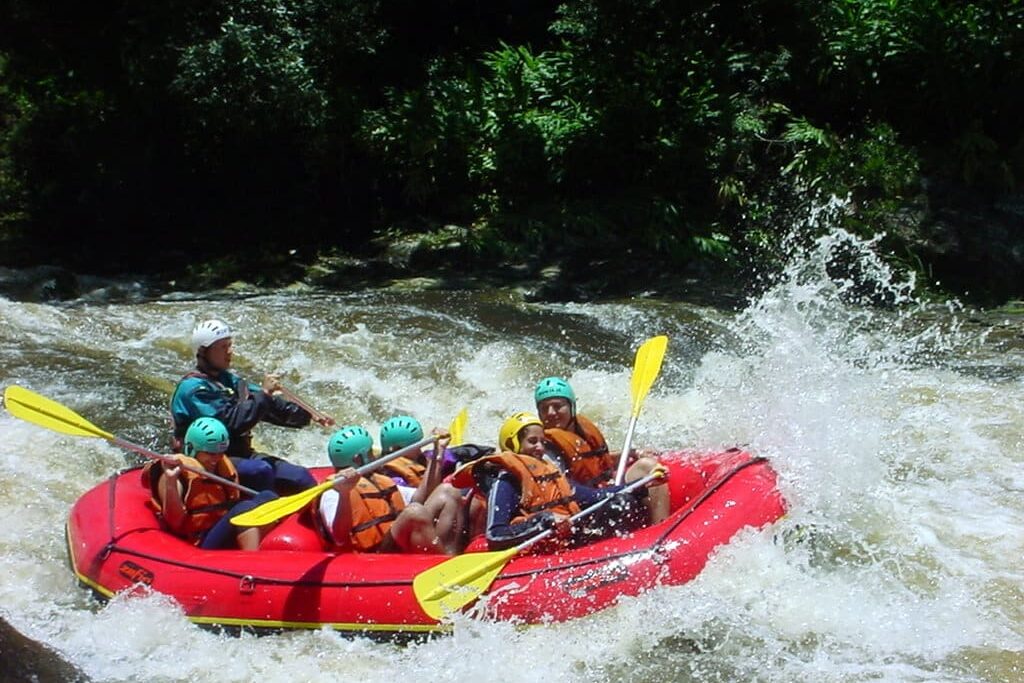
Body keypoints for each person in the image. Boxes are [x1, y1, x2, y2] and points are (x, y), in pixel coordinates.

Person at [450, 412, 665, 551]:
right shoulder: (506, 481)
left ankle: (637, 547)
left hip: (565, 540)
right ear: (512, 444)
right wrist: (544, 520)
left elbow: (594, 496)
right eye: (532, 441)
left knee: (621, 504)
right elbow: (495, 535)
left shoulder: (549, 473)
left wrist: (640, 485)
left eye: (542, 442)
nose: (540, 448)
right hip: (535, 551)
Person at [170, 319, 322, 494]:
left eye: (229, 345)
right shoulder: (193, 390)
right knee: (260, 471)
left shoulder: (229, 380)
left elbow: (267, 406)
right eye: (223, 347)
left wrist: (307, 415)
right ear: (204, 352)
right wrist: (265, 394)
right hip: (209, 460)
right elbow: (232, 423)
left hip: (241, 454)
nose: (230, 352)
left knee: (300, 477)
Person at [534, 376, 670, 524]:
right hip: (583, 507)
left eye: (557, 406)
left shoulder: (581, 431)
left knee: (647, 467)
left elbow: (596, 461)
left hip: (603, 490)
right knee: (623, 502)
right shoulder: (544, 450)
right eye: (544, 408)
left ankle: (661, 525)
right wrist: (619, 490)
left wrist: (633, 453)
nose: (551, 412)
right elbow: (567, 490)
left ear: (572, 407)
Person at [317, 426, 468, 554]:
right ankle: (443, 563)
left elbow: (421, 497)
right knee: (414, 512)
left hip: (392, 538)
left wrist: (438, 451)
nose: (375, 455)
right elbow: (340, 538)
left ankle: (451, 555)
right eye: (370, 452)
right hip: (373, 554)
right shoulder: (333, 492)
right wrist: (344, 494)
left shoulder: (377, 479)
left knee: (448, 491)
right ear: (358, 458)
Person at [141, 417, 279, 550]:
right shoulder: (175, 474)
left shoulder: (220, 465)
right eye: (210, 453)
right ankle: (253, 559)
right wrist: (171, 481)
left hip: (218, 526)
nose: (216, 459)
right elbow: (174, 522)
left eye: (220, 453)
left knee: (268, 497)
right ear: (192, 449)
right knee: (243, 509)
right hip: (198, 539)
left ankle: (268, 547)